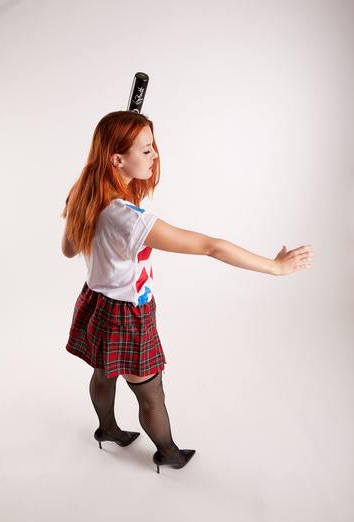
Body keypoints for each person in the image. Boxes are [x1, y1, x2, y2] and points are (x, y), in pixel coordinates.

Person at [61, 110, 314, 474]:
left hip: (96, 303)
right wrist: (275, 267)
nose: (155, 156)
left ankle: (108, 429)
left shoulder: (84, 194)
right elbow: (211, 246)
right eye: (146, 150)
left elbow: (69, 251)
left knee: (104, 373)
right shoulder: (131, 219)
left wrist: (76, 207)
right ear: (117, 159)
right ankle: (168, 453)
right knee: (151, 394)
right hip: (128, 315)